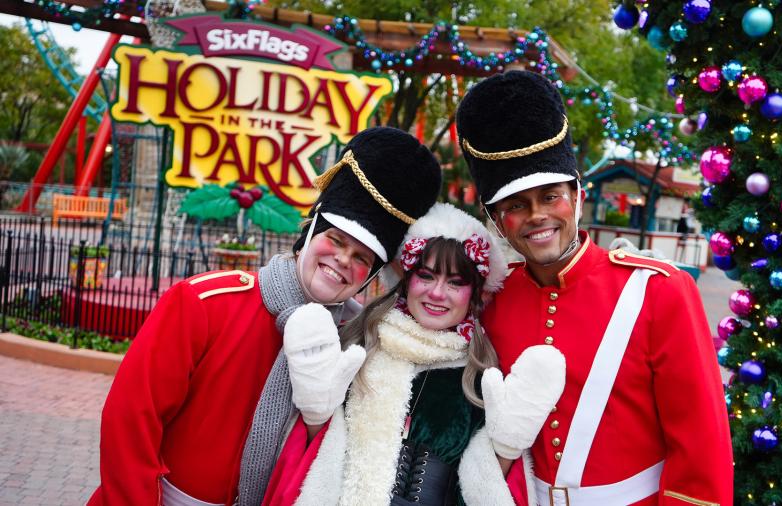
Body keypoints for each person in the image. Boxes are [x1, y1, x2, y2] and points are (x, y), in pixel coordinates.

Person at [88, 127, 443, 506]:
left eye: (361, 258)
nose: (343, 260)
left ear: (369, 278)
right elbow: (130, 420)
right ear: (309, 233)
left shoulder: (356, 341)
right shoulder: (206, 302)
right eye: (336, 240)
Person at [456, 70, 733, 506]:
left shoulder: (661, 291)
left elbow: (701, 450)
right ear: (496, 222)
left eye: (551, 196)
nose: (536, 216)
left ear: (578, 196)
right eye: (515, 205)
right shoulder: (493, 301)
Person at [255, 202, 566, 506]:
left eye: (456, 282)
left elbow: (483, 488)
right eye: (426, 275)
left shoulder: (482, 379)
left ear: (475, 294)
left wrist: (507, 447)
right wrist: (314, 413)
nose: (437, 293)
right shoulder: (355, 347)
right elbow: (306, 460)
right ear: (407, 280)